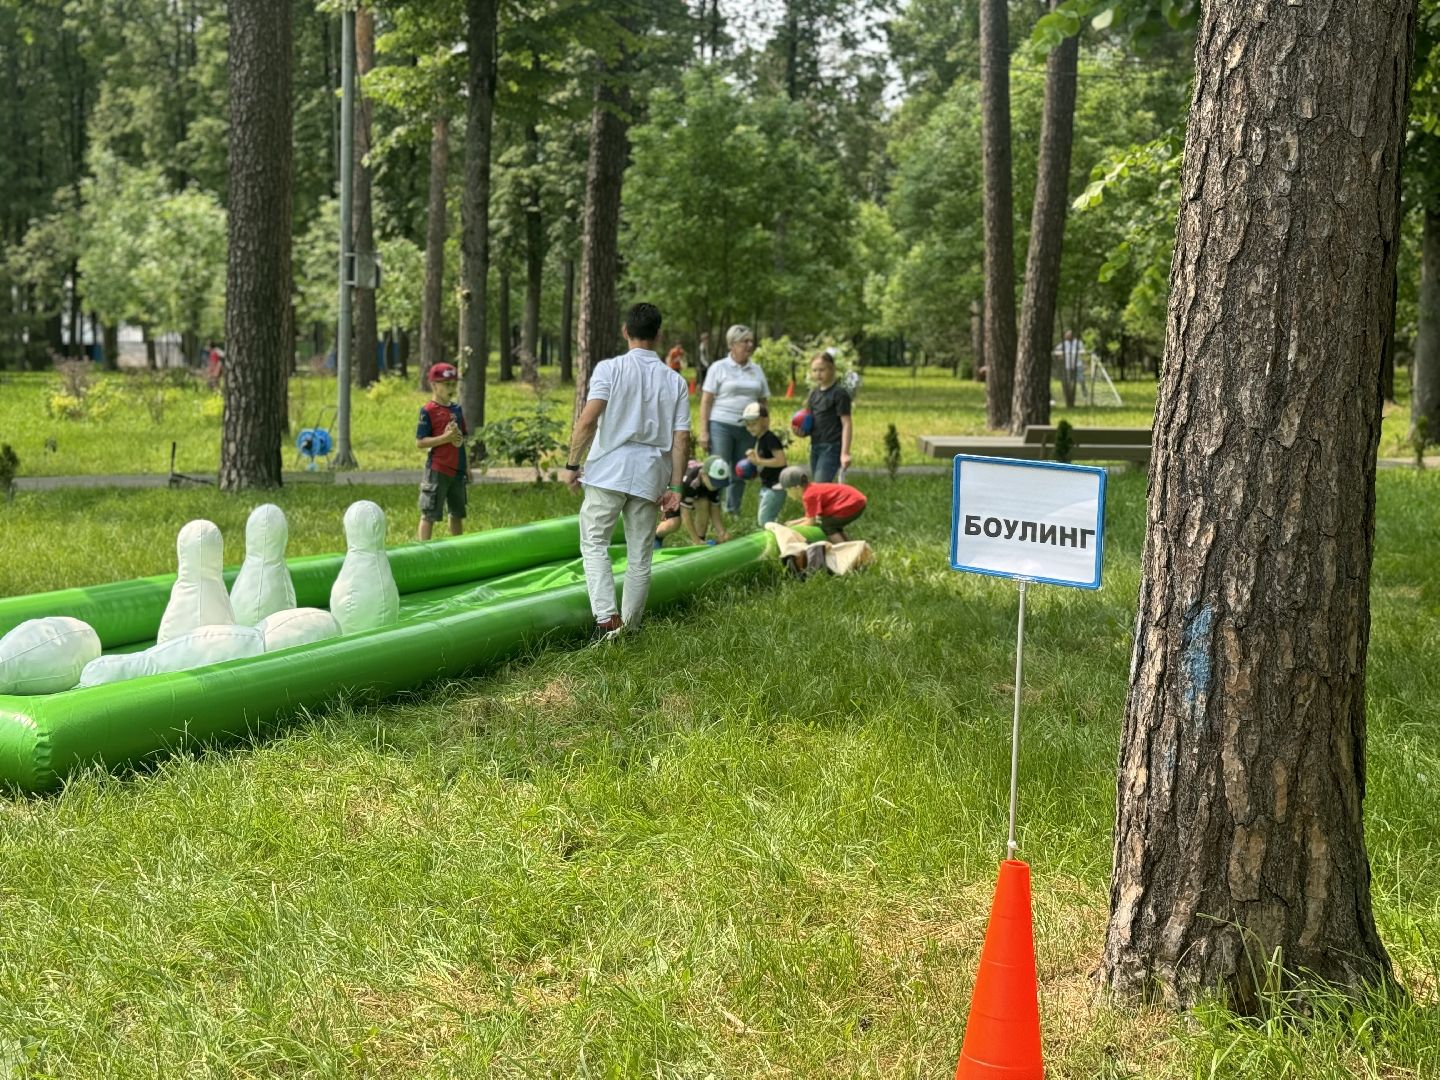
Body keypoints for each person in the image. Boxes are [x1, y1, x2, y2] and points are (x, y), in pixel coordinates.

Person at [562, 302, 690, 641]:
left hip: (608, 470)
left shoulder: (610, 369)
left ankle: (607, 620)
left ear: (625, 331)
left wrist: (573, 463)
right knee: (640, 555)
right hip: (651, 474)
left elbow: (588, 420)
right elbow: (681, 439)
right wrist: (676, 487)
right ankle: (630, 628)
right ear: (658, 335)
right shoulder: (675, 381)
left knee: (594, 543)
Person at [700, 324, 770, 518]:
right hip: (721, 425)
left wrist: (765, 428)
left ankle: (732, 511)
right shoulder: (718, 367)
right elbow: (706, 401)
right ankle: (712, 510)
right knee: (718, 467)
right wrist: (704, 431)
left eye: (751, 341)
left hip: (748, 428)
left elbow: (763, 401)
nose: (749, 345)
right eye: (744, 341)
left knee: (741, 469)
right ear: (732, 344)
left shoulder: (756, 370)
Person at [415, 362, 469, 541]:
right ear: (434, 385)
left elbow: (461, 440)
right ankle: (423, 549)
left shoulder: (457, 410)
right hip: (438, 469)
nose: (451, 388)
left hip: (457, 470)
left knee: (457, 512)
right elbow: (420, 442)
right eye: (446, 384)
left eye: (454, 384)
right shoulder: (428, 411)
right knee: (429, 513)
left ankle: (458, 546)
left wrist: (467, 467)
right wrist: (444, 438)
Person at [655, 456, 732, 547]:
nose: (717, 486)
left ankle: (701, 540)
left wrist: (722, 532)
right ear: (704, 475)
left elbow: (715, 511)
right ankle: (655, 536)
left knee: (704, 503)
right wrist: (695, 540)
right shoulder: (690, 482)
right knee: (674, 523)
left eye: (720, 482)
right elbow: (685, 515)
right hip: (673, 485)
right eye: (715, 482)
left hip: (694, 486)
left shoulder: (712, 482)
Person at [780, 465, 867, 543]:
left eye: (788, 491)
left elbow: (810, 522)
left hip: (852, 503)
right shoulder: (811, 489)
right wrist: (793, 523)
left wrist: (791, 530)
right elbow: (812, 517)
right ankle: (850, 547)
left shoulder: (808, 496)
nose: (788, 495)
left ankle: (845, 550)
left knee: (827, 526)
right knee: (832, 524)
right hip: (855, 500)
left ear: (796, 488)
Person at [805, 351, 853, 482]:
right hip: (815, 446)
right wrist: (802, 431)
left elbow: (847, 423)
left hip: (831, 447)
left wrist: (845, 453)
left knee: (820, 486)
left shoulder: (839, 394)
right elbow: (809, 420)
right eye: (814, 370)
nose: (818, 374)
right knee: (818, 486)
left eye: (822, 370)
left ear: (832, 369)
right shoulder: (813, 394)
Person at [741, 402, 788, 526]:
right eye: (748, 424)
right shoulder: (761, 439)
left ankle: (780, 536)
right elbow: (765, 461)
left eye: (754, 424)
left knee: (765, 520)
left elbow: (781, 461)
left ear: (765, 421)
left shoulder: (770, 438)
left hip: (776, 487)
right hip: (767, 486)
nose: (750, 428)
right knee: (766, 520)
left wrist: (758, 461)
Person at [1053, 328, 1087, 405]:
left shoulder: (1078, 343)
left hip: (1078, 365)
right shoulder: (1064, 344)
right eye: (1066, 335)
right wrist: (1060, 355)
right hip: (1068, 366)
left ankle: (1085, 397)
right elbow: (1056, 351)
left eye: (1068, 335)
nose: (1066, 336)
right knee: (1068, 382)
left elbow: (1083, 352)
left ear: (1071, 335)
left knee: (1081, 380)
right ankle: (1068, 398)